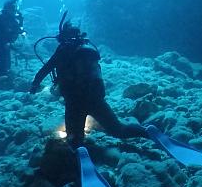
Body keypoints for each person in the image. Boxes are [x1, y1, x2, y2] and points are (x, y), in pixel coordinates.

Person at [28, 13, 147, 148]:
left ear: (63, 34)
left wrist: (34, 85)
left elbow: (46, 68)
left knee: (74, 139)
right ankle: (148, 131)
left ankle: (78, 156)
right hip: (96, 99)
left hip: (74, 102)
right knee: (119, 130)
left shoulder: (64, 49)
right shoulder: (87, 47)